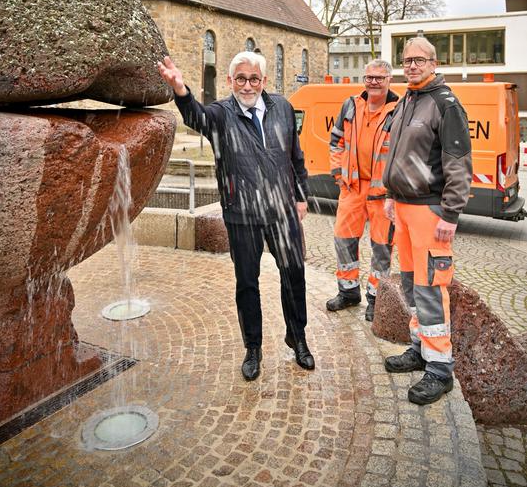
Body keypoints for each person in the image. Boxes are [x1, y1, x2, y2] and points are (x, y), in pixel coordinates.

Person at [158, 51, 314, 381]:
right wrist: (180, 90)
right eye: (240, 79)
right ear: (230, 82)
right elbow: (195, 117)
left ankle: (297, 337)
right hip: (241, 213)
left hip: (282, 210)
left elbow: (295, 157)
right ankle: (253, 347)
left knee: (294, 275)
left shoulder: (282, 108)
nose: (247, 85)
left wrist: (301, 197)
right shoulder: (220, 114)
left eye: (253, 79)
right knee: (247, 283)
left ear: (264, 82)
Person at [382, 36, 472, 405]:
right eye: (407, 60)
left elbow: (459, 164)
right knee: (412, 284)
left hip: (431, 212)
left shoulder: (445, 104)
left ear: (434, 63)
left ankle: (439, 369)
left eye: (419, 60)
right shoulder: (408, 100)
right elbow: (398, 156)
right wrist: (390, 195)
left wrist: (450, 213)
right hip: (403, 209)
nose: (412, 65)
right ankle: (420, 348)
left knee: (433, 287)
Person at [326, 60, 399, 321]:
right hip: (352, 187)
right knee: (343, 240)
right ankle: (348, 292)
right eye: (369, 77)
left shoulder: (399, 110)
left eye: (379, 77)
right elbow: (336, 141)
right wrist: (338, 173)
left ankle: (376, 299)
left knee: (382, 247)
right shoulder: (350, 105)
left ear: (389, 79)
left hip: (383, 193)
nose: (373, 82)